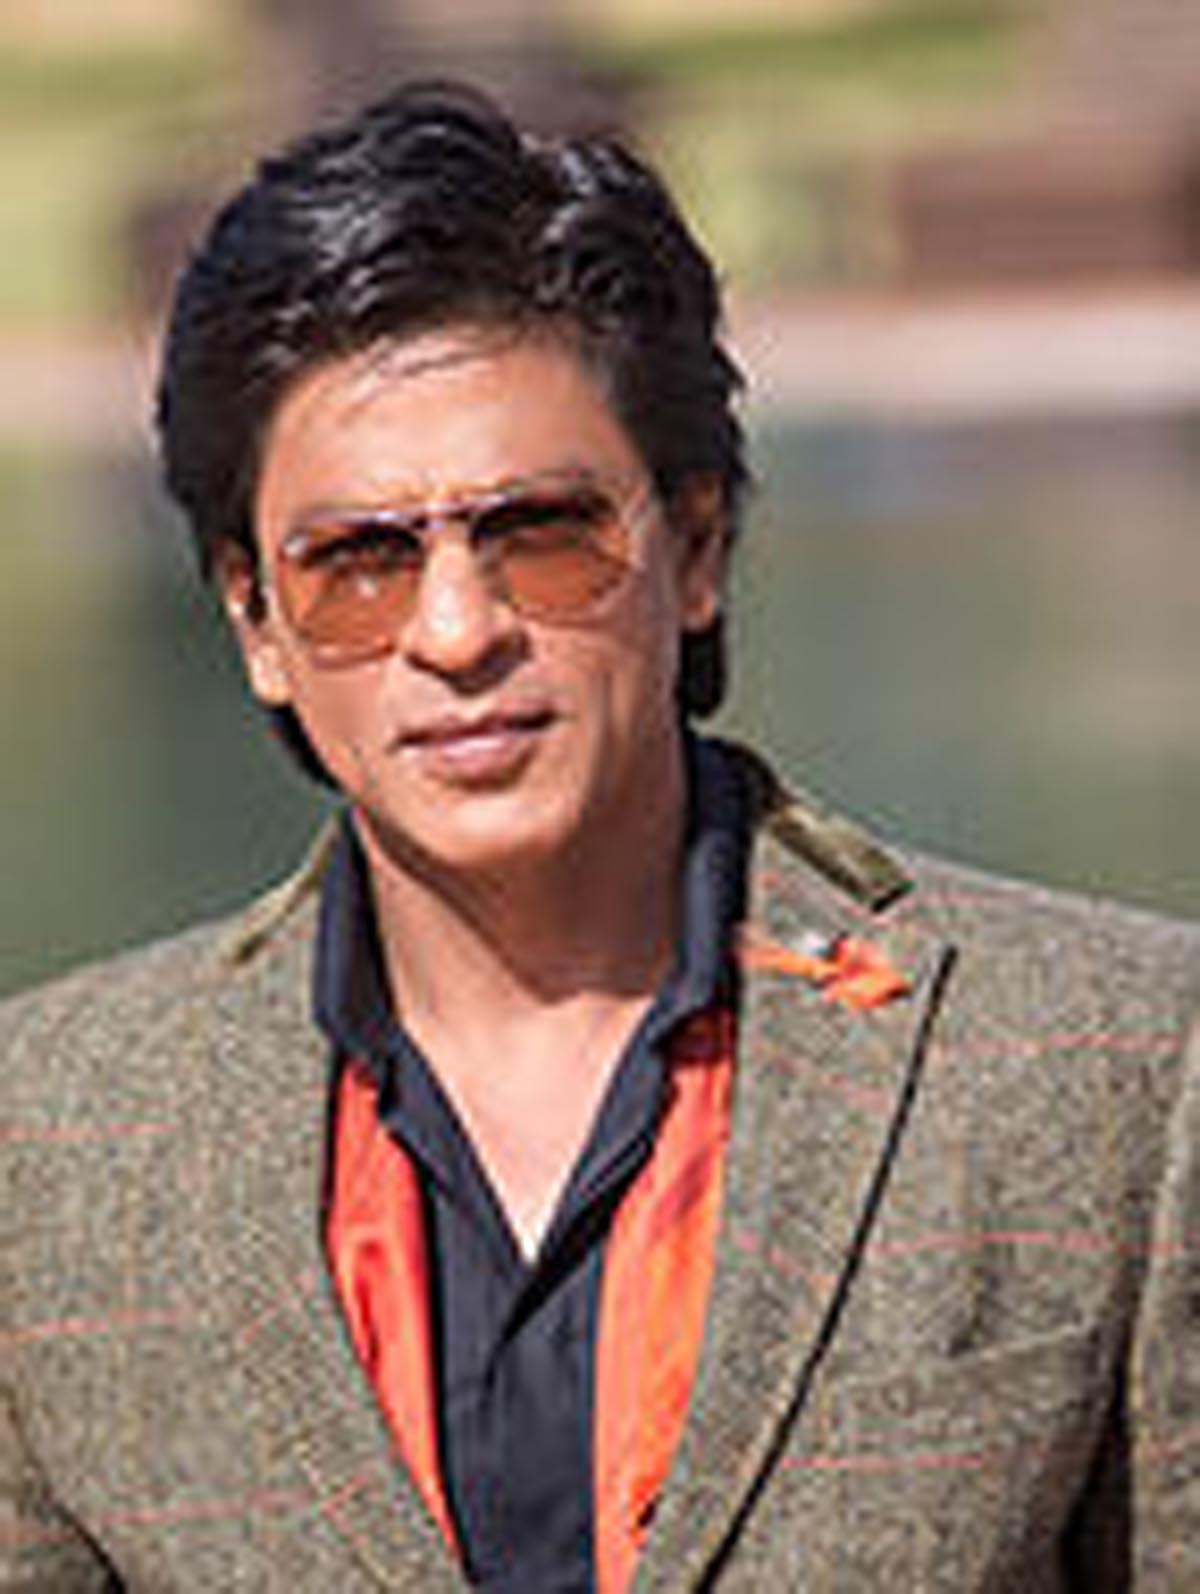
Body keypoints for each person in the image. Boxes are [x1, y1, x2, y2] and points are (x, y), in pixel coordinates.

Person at [3, 80, 1198, 1594]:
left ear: (694, 549)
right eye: (358, 563)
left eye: (540, 534)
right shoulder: (46, 1142)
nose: (457, 631)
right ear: (255, 621)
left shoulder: (1120, 1066)